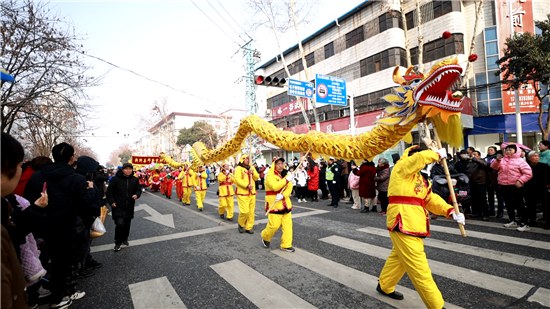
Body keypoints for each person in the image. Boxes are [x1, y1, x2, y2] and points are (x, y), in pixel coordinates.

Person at [377, 145, 464, 309]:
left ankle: (384, 285)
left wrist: (450, 211)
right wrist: (436, 153)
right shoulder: (401, 168)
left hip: (414, 222)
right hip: (402, 221)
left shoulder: (421, 178)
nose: (420, 159)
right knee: (419, 268)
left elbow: (430, 199)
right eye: (416, 155)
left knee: (399, 259)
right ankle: (436, 305)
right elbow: (417, 160)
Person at [24, 142, 94, 307]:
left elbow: (28, 201)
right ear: (71, 158)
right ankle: (57, 300)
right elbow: (85, 205)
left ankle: (32, 301)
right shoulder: (77, 178)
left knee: (37, 263)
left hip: (40, 228)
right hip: (67, 229)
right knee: (61, 264)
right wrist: (90, 190)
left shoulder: (36, 176)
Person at [2, 133, 49, 309]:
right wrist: (35, 210)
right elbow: (15, 232)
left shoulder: (8, 202)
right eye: (20, 165)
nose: (21, 170)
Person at [491, 144, 533, 231]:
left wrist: (521, 180)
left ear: (516, 151)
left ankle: (525, 223)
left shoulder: (520, 161)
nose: (508, 151)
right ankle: (512, 220)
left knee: (519, 204)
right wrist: (497, 160)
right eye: (507, 150)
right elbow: (494, 168)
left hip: (516, 185)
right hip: (504, 185)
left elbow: (528, 173)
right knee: (508, 204)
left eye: (511, 150)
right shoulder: (502, 160)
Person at [261, 157, 295, 252]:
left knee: (288, 226)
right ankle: (265, 237)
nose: (280, 165)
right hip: (274, 203)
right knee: (274, 225)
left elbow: (289, 188)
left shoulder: (286, 174)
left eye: (282, 163)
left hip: (285, 203)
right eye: (278, 164)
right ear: (274, 165)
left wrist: (284, 195)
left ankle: (286, 245)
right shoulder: (270, 175)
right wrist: (286, 180)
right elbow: (275, 187)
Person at [107, 163, 141, 251]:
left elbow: (138, 190)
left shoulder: (134, 180)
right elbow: (109, 191)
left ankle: (125, 239)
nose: (128, 170)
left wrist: (136, 195)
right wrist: (112, 201)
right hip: (118, 206)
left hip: (129, 206)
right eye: (126, 169)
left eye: (130, 169)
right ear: (122, 170)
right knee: (120, 224)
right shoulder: (115, 179)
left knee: (127, 225)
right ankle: (117, 242)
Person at [524, 151, 550, 230]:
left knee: (546, 206)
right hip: (530, 189)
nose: (536, 157)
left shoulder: (544, 166)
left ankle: (548, 221)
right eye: (534, 156)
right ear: (528, 158)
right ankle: (532, 220)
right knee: (531, 205)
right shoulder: (525, 166)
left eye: (538, 156)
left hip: (542, 188)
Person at [234, 155, 259, 234]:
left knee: (251, 212)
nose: (248, 160)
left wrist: (253, 173)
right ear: (242, 160)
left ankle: (249, 227)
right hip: (242, 193)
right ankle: (241, 224)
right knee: (245, 211)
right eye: (246, 159)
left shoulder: (252, 167)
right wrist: (247, 185)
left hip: (252, 193)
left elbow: (257, 177)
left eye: (249, 159)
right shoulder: (238, 168)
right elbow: (237, 180)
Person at [467, 151, 490, 221]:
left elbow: (485, 164)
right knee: (474, 199)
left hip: (480, 182)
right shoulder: (470, 163)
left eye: (475, 154)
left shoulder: (481, 161)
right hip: (472, 182)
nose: (473, 155)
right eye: (472, 154)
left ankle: (485, 214)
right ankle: (477, 212)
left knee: (482, 199)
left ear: (479, 156)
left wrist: (475, 159)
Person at [485, 146, 504, 218]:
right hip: (489, 180)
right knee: (490, 197)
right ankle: (491, 210)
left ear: (495, 151)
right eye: (488, 150)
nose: (489, 151)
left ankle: (500, 211)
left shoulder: (499, 159)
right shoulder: (486, 159)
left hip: (497, 180)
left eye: (491, 150)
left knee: (500, 197)